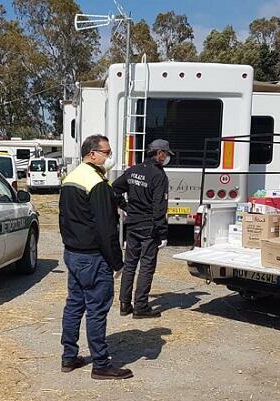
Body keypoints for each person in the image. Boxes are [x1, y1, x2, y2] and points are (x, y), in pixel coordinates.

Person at [58, 135, 133, 380]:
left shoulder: (71, 178)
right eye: (106, 152)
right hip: (92, 257)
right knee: (97, 310)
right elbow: (105, 228)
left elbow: (64, 219)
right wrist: (116, 261)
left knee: (74, 306)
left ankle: (69, 357)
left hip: (73, 253)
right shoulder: (96, 182)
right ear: (93, 154)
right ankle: (100, 364)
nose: (109, 157)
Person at [112, 139, 172, 319]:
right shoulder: (159, 175)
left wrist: (126, 206)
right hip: (149, 227)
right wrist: (162, 233)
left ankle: (124, 304)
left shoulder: (133, 170)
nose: (167, 158)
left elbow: (114, 188)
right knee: (146, 265)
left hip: (133, 224)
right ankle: (141, 306)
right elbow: (159, 207)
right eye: (166, 154)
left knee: (130, 263)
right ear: (159, 154)